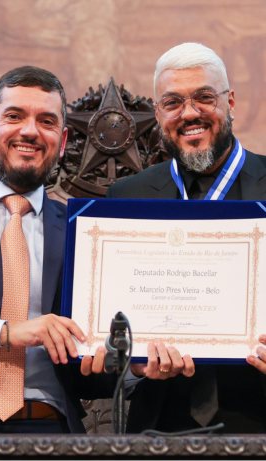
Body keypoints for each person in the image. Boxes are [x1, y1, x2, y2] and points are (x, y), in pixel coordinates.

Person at [99, 42, 266, 433]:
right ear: (158, 115)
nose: (190, 113)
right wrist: (134, 364)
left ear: (231, 103)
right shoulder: (125, 197)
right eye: (173, 102)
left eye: (205, 97)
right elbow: (106, 331)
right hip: (158, 425)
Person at [0, 66, 113, 435]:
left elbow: (92, 372)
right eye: (14, 116)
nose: (29, 130)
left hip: (52, 430)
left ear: (61, 143)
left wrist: (118, 359)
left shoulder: (85, 231)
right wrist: (7, 332)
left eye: (46, 121)